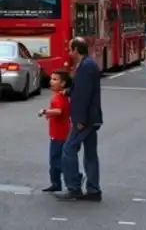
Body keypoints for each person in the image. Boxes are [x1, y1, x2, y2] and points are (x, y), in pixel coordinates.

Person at [57, 38, 103, 202]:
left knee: (68, 150)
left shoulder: (86, 67)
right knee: (90, 154)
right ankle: (93, 189)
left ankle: (74, 187)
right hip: (92, 118)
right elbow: (80, 90)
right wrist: (69, 92)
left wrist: (80, 119)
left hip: (85, 119)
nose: (69, 52)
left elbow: (84, 95)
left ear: (76, 50)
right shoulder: (87, 64)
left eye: (70, 49)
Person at [39, 69, 71, 193]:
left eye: (55, 79)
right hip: (59, 132)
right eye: (51, 79)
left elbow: (59, 111)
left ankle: (71, 178)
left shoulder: (58, 97)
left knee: (56, 160)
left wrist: (45, 111)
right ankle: (56, 183)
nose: (51, 82)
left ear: (63, 83)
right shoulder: (62, 95)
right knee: (57, 159)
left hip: (59, 134)